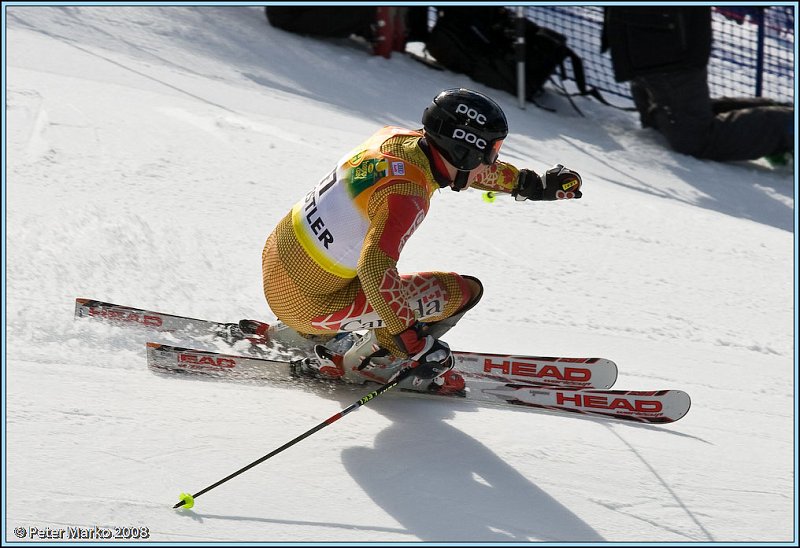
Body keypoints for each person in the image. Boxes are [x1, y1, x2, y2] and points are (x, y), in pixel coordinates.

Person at [259, 88, 583, 394]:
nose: (493, 162)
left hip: (279, 262)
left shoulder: (396, 138)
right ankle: (375, 363)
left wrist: (532, 184)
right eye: (492, 152)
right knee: (463, 291)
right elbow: (374, 268)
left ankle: (305, 333)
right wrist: (413, 342)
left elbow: (470, 169)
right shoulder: (407, 194)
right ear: (463, 151)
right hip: (307, 305)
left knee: (362, 254)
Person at [602, 6, 793, 163]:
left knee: (695, 140)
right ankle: (779, 112)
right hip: (636, 43)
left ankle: (789, 124)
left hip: (669, 49)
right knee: (658, 125)